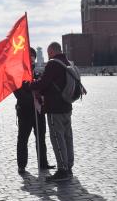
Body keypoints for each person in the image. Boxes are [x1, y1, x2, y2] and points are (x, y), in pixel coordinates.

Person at [30, 42, 74, 182]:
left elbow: (44, 83)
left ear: (51, 52)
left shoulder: (53, 64)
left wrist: (30, 85)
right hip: (67, 106)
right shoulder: (68, 63)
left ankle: (62, 170)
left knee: (57, 137)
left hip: (55, 108)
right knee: (67, 138)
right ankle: (68, 166)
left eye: (49, 53)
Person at [14, 47, 55, 174]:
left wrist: (41, 98)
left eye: (32, 56)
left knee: (41, 138)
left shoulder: (38, 73)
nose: (31, 58)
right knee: (22, 139)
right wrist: (31, 99)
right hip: (25, 111)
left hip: (38, 111)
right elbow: (18, 92)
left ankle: (43, 163)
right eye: (29, 56)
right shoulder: (19, 74)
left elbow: (44, 87)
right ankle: (21, 165)